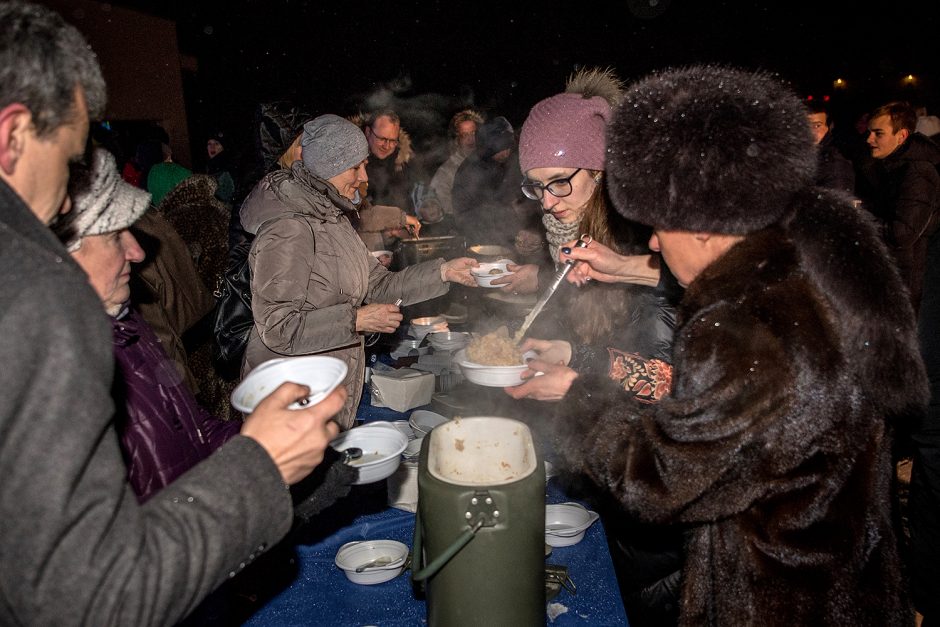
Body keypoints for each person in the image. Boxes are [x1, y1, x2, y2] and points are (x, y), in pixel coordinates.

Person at [515, 65, 928, 625]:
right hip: (842, 584)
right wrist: (587, 353)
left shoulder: (743, 324)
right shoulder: (799, 272)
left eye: (661, 225)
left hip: (781, 600)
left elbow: (657, 481)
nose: (654, 243)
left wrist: (577, 397)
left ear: (707, 221)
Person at [0, 4, 343, 623]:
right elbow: (94, 595)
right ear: (12, 134)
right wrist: (260, 471)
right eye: (70, 151)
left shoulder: (127, 328)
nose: (139, 250)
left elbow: (186, 441)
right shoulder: (39, 307)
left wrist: (281, 463)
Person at [241, 114, 478, 428]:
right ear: (328, 166)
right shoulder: (291, 227)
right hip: (289, 401)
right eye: (355, 167)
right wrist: (356, 319)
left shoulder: (333, 216)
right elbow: (278, 326)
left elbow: (378, 285)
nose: (363, 176)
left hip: (324, 389)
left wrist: (443, 272)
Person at [61, 149, 241, 502]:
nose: (137, 251)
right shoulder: (53, 377)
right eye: (114, 236)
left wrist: (264, 442)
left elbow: (192, 434)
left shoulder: (127, 321)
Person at [857, 100, 940, 312]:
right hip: (885, 275)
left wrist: (858, 212)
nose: (869, 139)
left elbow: (902, 234)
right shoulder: (884, 167)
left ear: (901, 136)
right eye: (869, 132)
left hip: (902, 283)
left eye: (878, 133)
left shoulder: (918, 173)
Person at [429, 108, 484, 217]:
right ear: (457, 139)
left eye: (473, 133)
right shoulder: (446, 171)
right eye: (464, 135)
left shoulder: (491, 160)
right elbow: (444, 206)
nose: (470, 139)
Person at [806, 101, 855, 194]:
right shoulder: (800, 155)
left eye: (817, 126)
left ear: (830, 127)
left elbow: (836, 206)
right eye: (805, 125)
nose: (810, 132)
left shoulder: (835, 164)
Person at [205, 128, 235, 204]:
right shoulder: (209, 166)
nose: (212, 147)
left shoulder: (227, 169)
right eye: (209, 144)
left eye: (216, 143)